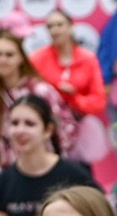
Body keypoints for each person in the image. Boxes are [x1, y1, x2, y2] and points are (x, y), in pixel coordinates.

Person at [28, 10, 108, 163]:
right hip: (48, 130)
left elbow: (98, 101)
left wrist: (74, 97)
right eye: (50, 26)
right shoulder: (37, 59)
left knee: (81, 174)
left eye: (59, 24)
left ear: (70, 27)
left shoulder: (87, 59)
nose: (55, 30)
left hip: (80, 128)